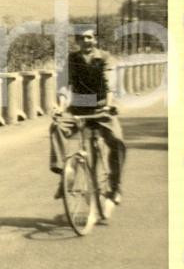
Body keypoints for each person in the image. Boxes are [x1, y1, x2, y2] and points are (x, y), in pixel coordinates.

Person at [49, 28, 126, 204]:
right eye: (81, 38)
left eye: (89, 37)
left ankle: (115, 186)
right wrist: (60, 107)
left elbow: (109, 83)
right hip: (78, 107)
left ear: (95, 40)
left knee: (117, 141)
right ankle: (64, 175)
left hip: (101, 108)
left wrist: (109, 104)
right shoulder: (72, 59)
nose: (86, 41)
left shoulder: (105, 58)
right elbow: (63, 85)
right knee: (57, 127)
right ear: (77, 41)